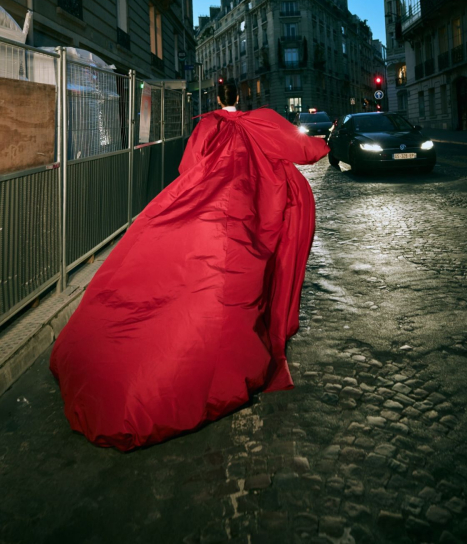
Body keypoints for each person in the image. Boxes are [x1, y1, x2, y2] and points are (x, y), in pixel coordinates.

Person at [50, 82, 329, 451]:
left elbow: (189, 167)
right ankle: (230, 361)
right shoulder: (262, 121)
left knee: (197, 278)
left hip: (213, 209)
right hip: (250, 212)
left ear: (217, 100)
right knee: (238, 283)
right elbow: (305, 149)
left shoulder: (208, 126)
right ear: (239, 99)